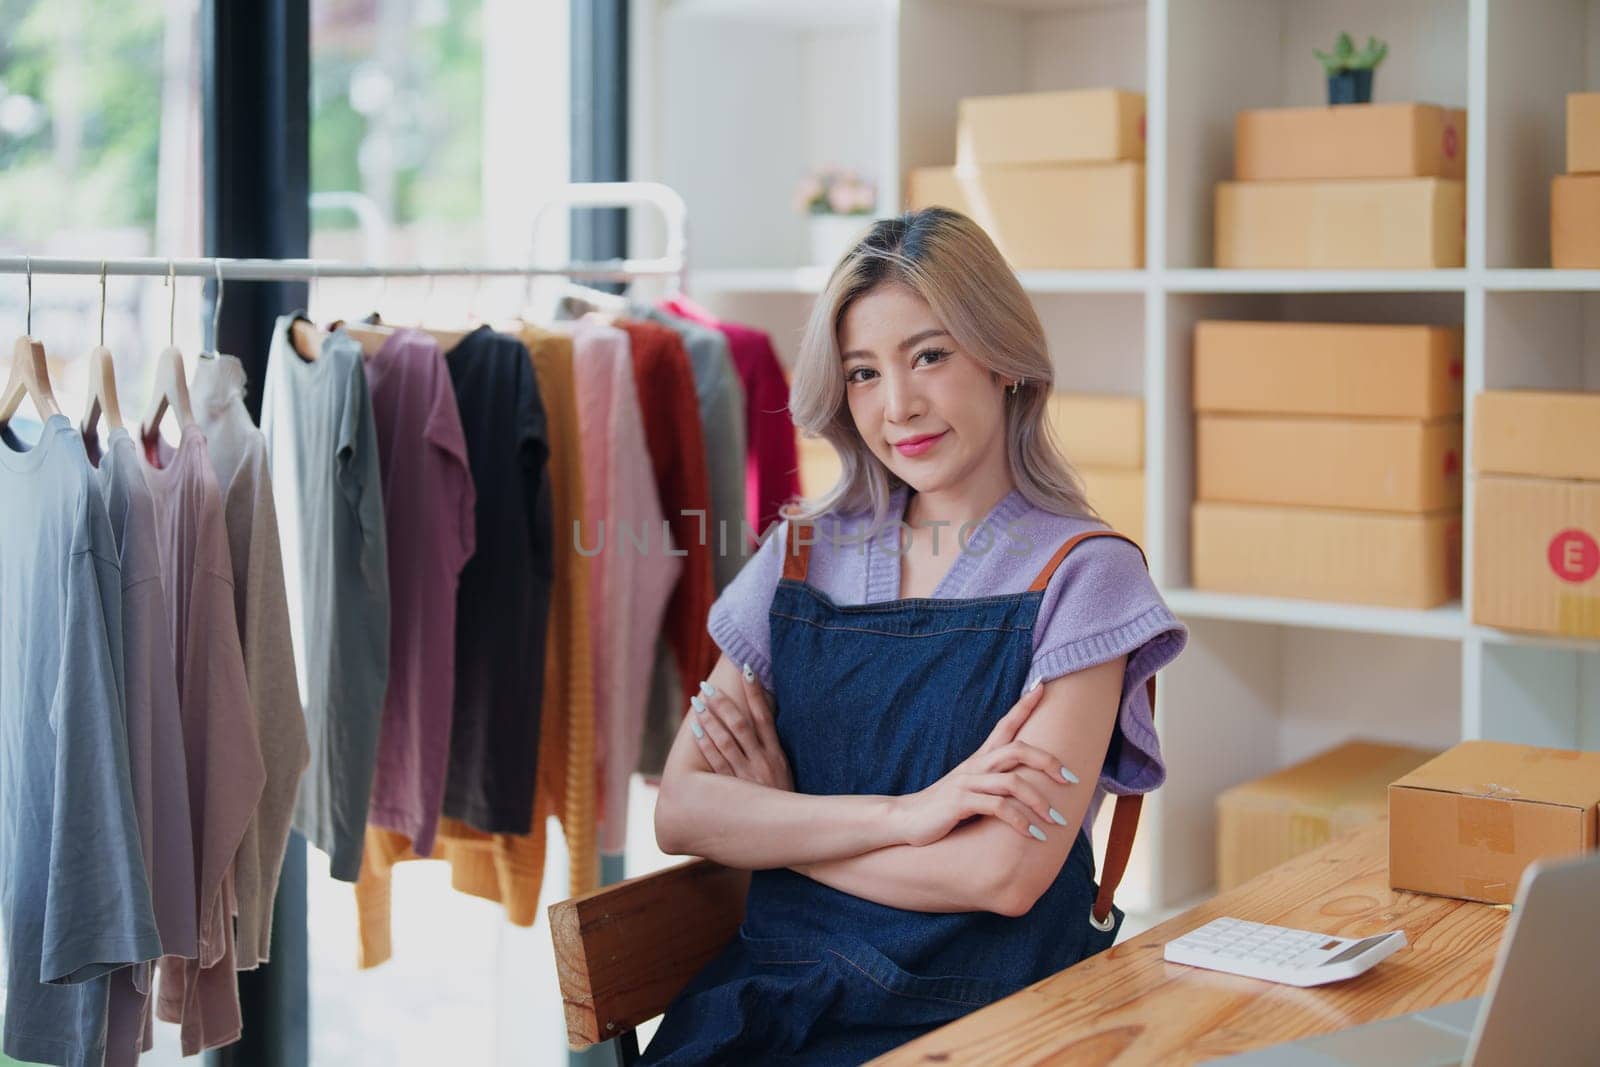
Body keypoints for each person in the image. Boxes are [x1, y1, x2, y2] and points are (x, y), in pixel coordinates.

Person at [642, 207, 1188, 1064]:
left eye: (929, 354)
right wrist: (913, 816)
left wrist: (783, 832)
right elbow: (683, 810)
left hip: (989, 1027)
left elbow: (1001, 876)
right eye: (863, 373)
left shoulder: (1085, 576)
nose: (897, 406)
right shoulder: (797, 556)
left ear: (1003, 358)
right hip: (770, 1004)